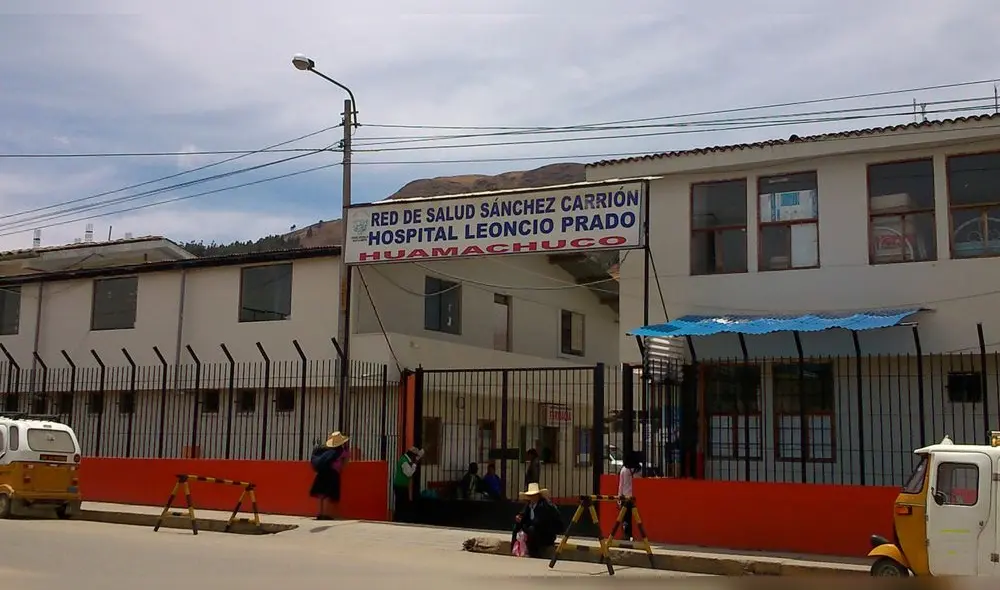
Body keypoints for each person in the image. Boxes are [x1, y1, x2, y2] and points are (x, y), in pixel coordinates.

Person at [511, 483, 563, 558]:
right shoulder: (529, 505)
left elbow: (538, 522)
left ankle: (534, 552)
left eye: (534, 495)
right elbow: (523, 514)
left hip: (545, 533)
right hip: (534, 529)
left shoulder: (543, 505)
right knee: (516, 527)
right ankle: (513, 549)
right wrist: (519, 518)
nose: (532, 498)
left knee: (532, 530)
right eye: (530, 496)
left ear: (538, 496)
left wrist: (524, 525)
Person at [309, 431, 350, 520]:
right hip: (332, 473)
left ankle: (320, 513)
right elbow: (346, 462)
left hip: (322, 472)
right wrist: (346, 448)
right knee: (328, 494)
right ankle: (326, 514)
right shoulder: (340, 451)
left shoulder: (326, 450)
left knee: (321, 494)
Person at [392, 446, 423, 521]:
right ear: (412, 455)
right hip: (400, 486)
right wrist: (415, 464)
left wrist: (414, 461)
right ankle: (399, 519)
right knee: (402, 504)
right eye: (415, 456)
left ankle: (399, 519)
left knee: (401, 504)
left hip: (401, 486)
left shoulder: (405, 459)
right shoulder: (405, 461)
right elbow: (409, 473)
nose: (415, 458)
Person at [618, 451, 641, 540]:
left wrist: (619, 498)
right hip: (634, 497)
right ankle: (636, 535)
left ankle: (626, 534)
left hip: (625, 497)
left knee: (625, 518)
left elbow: (621, 485)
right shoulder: (638, 470)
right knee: (636, 518)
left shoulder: (624, 470)